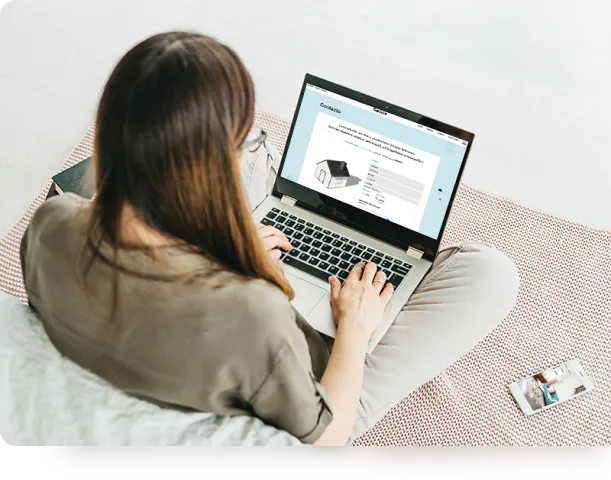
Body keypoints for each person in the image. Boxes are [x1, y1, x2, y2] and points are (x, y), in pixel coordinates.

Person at [19, 31, 519, 446]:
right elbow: (324, 438)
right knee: (490, 274)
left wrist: (217, 252)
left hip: (196, 325)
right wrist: (354, 327)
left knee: (274, 174)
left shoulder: (50, 223)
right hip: (298, 381)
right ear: (207, 171)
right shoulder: (252, 311)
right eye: (243, 140)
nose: (246, 147)